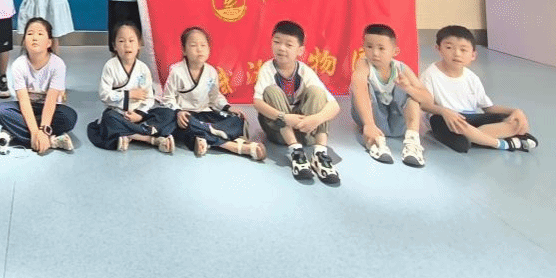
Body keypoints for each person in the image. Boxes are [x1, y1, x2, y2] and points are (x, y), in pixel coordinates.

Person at [415, 25, 537, 153]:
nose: (457, 53)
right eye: (449, 48)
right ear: (438, 49)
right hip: (445, 119)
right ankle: (502, 143)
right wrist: (444, 111)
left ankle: (476, 137)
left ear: (473, 55)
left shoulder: (472, 78)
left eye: (463, 50)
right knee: (457, 138)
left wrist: (515, 111)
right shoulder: (430, 74)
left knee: (513, 120)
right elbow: (425, 105)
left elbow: (488, 108)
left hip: (470, 121)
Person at [252, 20, 341, 185]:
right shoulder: (267, 69)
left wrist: (316, 119)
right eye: (277, 42)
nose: (281, 48)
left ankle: (320, 154)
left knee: (317, 92)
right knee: (271, 91)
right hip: (278, 133)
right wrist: (284, 117)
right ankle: (296, 152)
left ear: (300, 50)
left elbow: (334, 106)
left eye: (289, 45)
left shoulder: (305, 71)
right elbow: (257, 102)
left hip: (306, 131)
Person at [161, 26, 265, 160]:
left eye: (203, 45)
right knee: (180, 124)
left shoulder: (211, 72)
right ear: (184, 50)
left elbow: (215, 98)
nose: (199, 49)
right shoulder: (176, 71)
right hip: (186, 116)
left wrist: (228, 108)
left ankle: (203, 137)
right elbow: (167, 98)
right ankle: (233, 146)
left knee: (237, 119)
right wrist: (178, 112)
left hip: (205, 115)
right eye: (193, 45)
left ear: (209, 49)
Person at [87, 22, 177, 152]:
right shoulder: (110, 66)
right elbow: (104, 95)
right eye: (121, 41)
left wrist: (139, 115)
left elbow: (149, 98)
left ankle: (128, 134)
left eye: (131, 40)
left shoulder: (143, 68)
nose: (127, 45)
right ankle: (149, 138)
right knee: (108, 119)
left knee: (168, 113)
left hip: (138, 115)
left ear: (139, 44)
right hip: (119, 114)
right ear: (114, 46)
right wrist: (128, 95)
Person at [0, 18, 77, 154]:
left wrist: (43, 130)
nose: (34, 37)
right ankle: (50, 141)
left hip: (50, 109)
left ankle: (16, 133)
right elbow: (24, 101)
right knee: (2, 111)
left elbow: (51, 100)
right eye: (30, 33)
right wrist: (34, 132)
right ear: (24, 41)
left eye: (40, 34)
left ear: (49, 42)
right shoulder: (19, 65)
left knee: (69, 117)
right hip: (26, 108)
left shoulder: (58, 64)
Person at [350, 24, 425, 167]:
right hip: (372, 121)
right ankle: (374, 141)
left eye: (381, 48)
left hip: (397, 125)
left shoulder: (401, 68)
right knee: (360, 84)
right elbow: (359, 89)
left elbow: (427, 99)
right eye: (369, 47)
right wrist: (369, 124)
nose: (375, 53)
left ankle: (412, 142)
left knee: (412, 95)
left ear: (395, 51)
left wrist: (408, 88)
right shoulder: (363, 64)